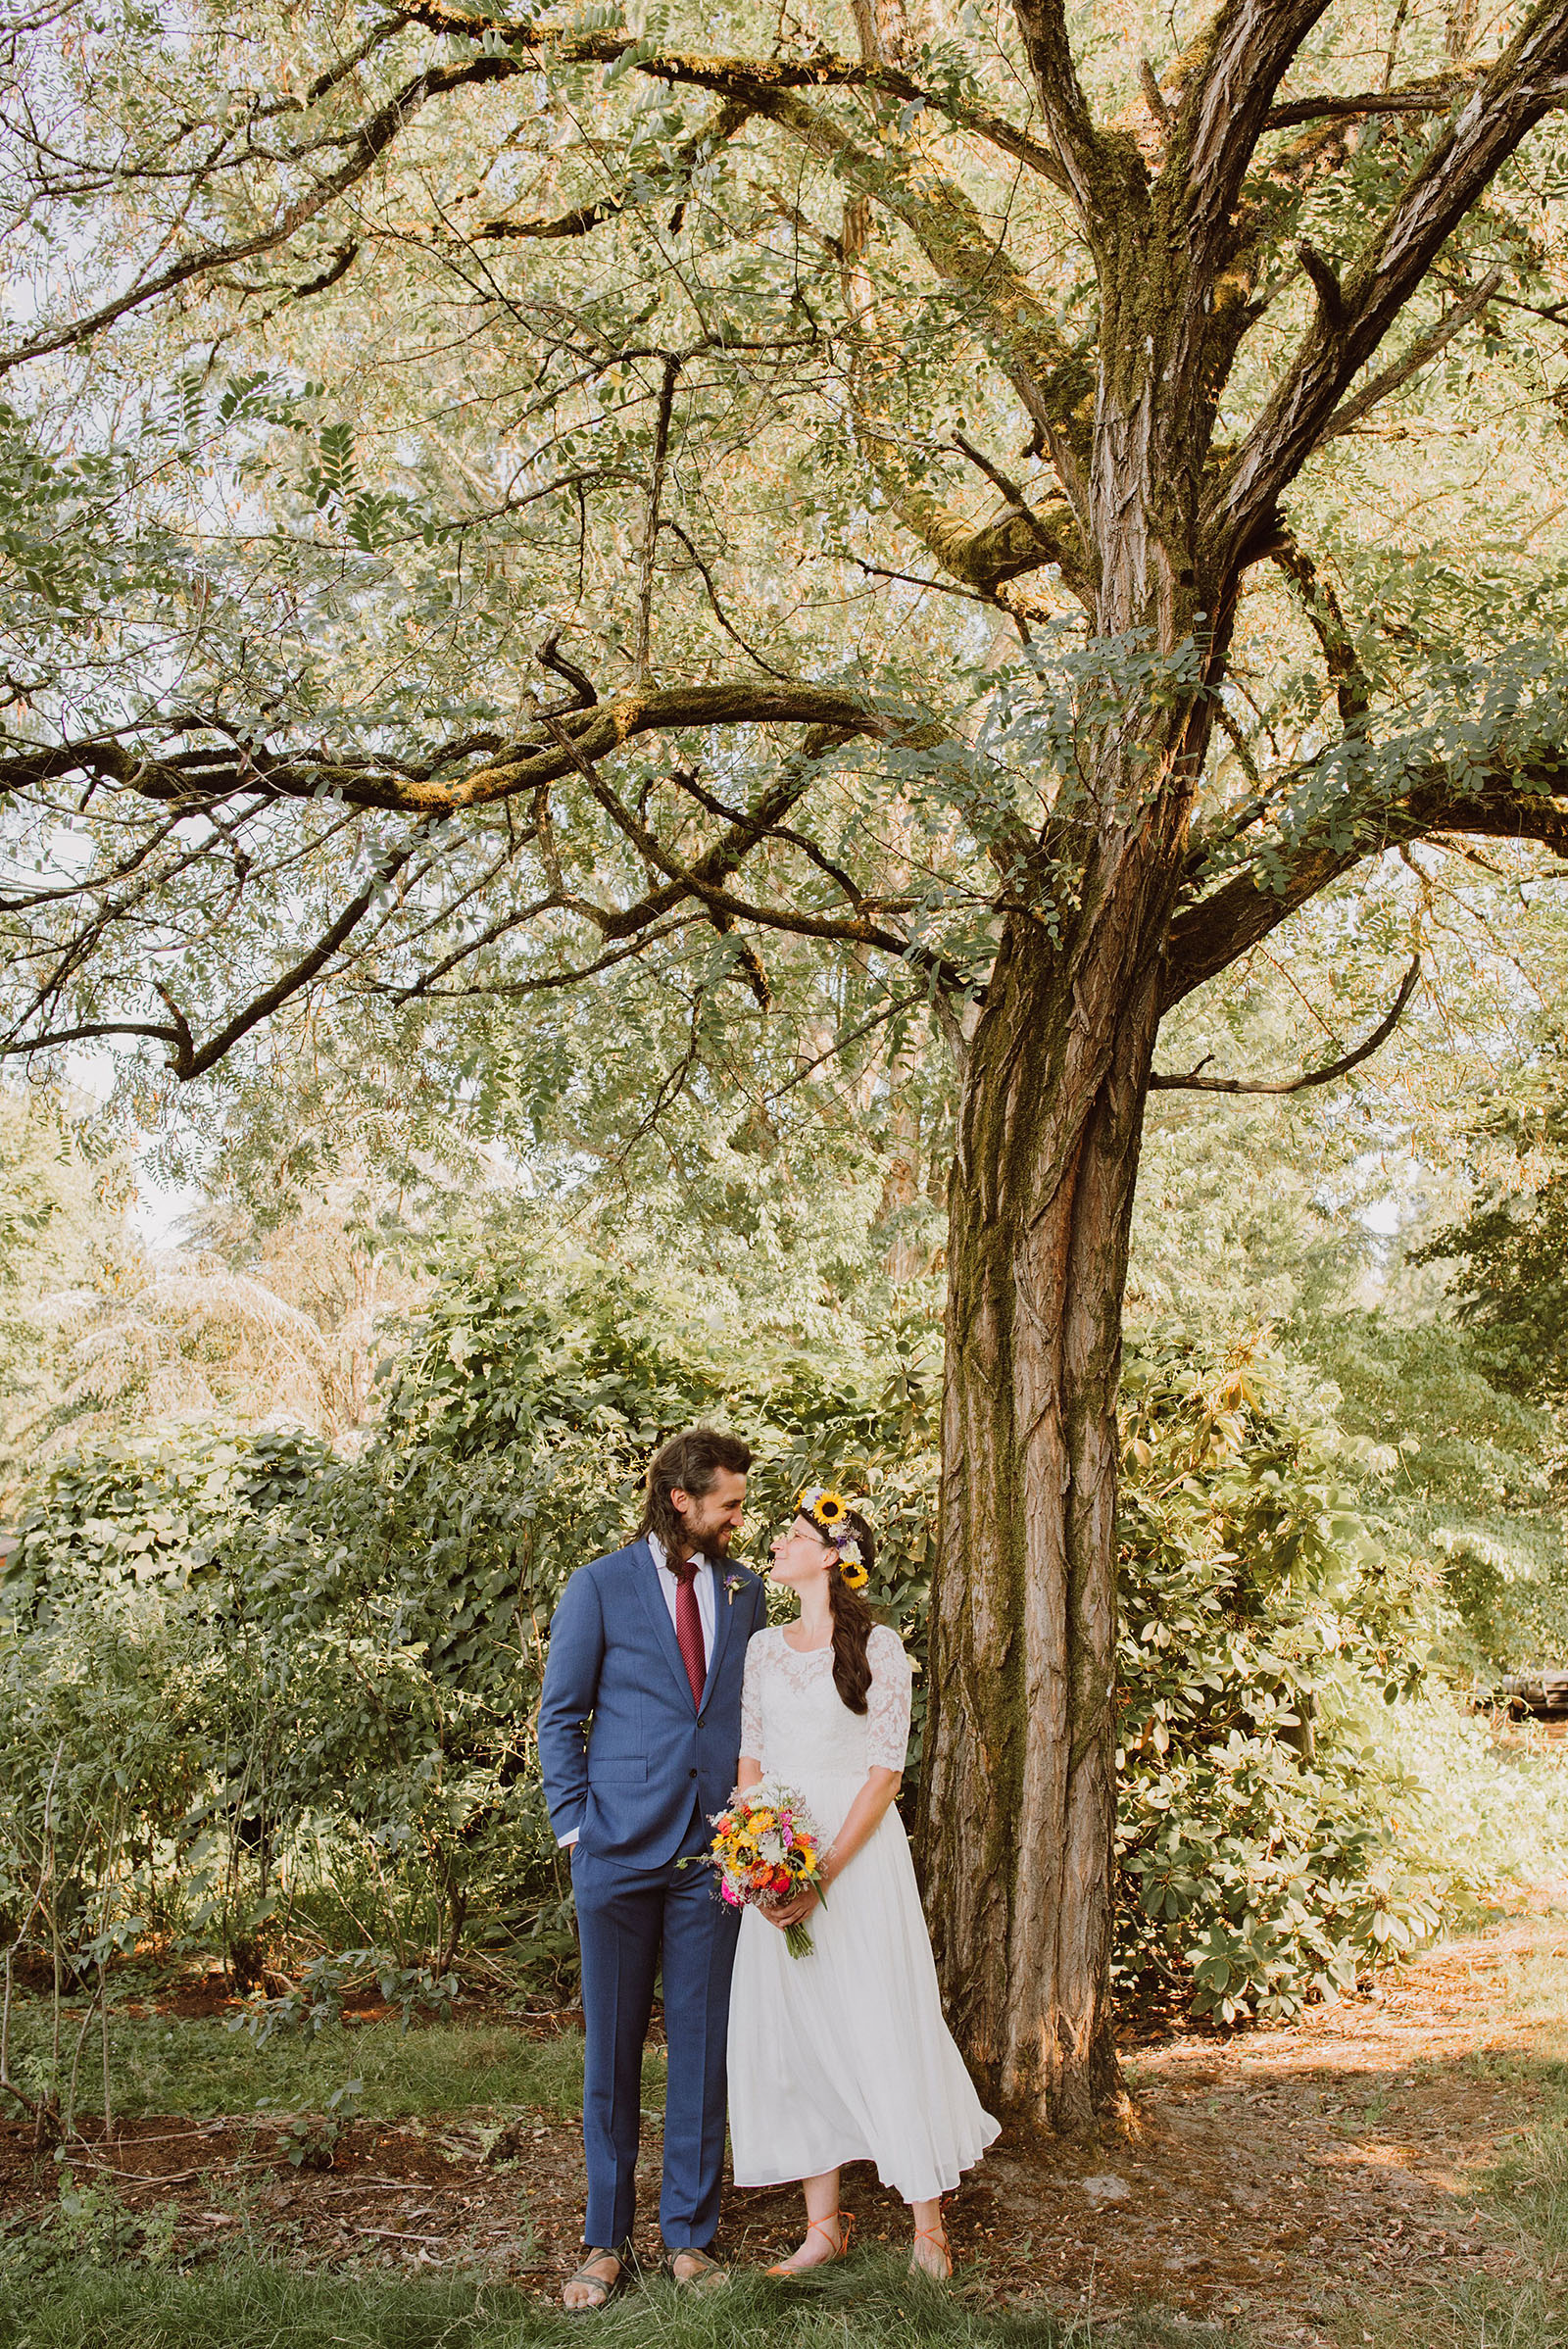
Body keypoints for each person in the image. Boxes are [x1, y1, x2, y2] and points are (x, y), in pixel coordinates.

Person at [726, 1484, 999, 2278]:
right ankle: (824, 2225)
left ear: (834, 1555)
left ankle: (927, 2225)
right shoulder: (762, 1648)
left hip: (857, 1858)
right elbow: (751, 1755)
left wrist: (823, 1871)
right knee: (797, 2034)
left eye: (790, 1535)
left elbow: (885, 1774)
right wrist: (758, 1854)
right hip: (778, 1856)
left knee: (883, 2023)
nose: (775, 1543)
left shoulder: (880, 1648)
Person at [537, 1427, 766, 2311]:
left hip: (712, 1858)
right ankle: (604, 2237)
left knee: (701, 2051)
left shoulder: (743, 1593)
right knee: (613, 2051)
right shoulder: (599, 1586)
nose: (738, 1517)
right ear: (683, 1500)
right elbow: (560, 1714)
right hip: (616, 1853)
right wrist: (573, 1830)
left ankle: (689, 2236)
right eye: (729, 1503)